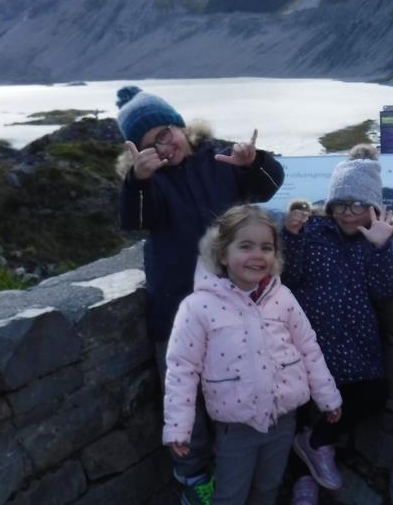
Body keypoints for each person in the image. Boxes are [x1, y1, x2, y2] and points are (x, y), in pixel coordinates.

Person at [115, 86, 285, 505]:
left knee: (233, 394)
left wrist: (254, 164)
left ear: (181, 126)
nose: (164, 144)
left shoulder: (219, 159)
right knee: (186, 403)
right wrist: (138, 180)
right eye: (151, 140)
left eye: (167, 131)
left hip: (234, 304)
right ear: (138, 149)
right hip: (176, 310)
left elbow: (267, 188)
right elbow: (134, 221)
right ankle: (194, 481)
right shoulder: (147, 183)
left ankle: (236, 477)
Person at [163, 205, 343, 505]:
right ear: (222, 254)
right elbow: (181, 370)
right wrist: (179, 427)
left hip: (283, 420)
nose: (257, 255)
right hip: (236, 428)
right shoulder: (198, 307)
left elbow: (308, 348)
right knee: (230, 495)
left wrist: (328, 398)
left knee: (268, 488)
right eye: (245, 246)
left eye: (266, 247)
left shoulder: (283, 298)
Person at [281, 143, 393, 504]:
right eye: (340, 204)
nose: (346, 214)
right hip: (307, 337)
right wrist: (291, 236)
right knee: (302, 405)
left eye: (356, 205)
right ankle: (303, 482)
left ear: (373, 206)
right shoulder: (314, 231)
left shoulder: (380, 237)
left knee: (370, 393)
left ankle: (318, 443)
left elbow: (387, 288)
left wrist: (381, 247)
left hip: (355, 340)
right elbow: (290, 275)